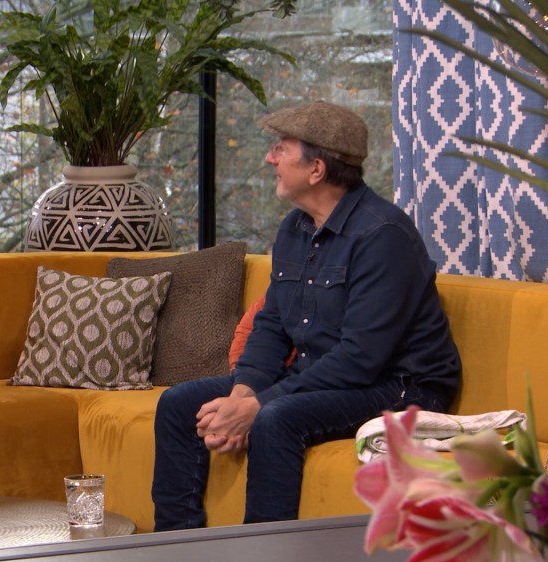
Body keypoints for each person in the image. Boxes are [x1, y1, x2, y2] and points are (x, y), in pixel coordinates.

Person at [152, 101, 461, 529]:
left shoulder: (382, 235)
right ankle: (175, 549)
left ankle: (267, 554)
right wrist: (243, 393)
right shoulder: (293, 229)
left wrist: (259, 405)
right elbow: (272, 326)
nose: (270, 158)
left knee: (276, 418)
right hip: (323, 374)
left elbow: (360, 358)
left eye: (281, 148)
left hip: (400, 386)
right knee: (177, 404)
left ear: (316, 169)